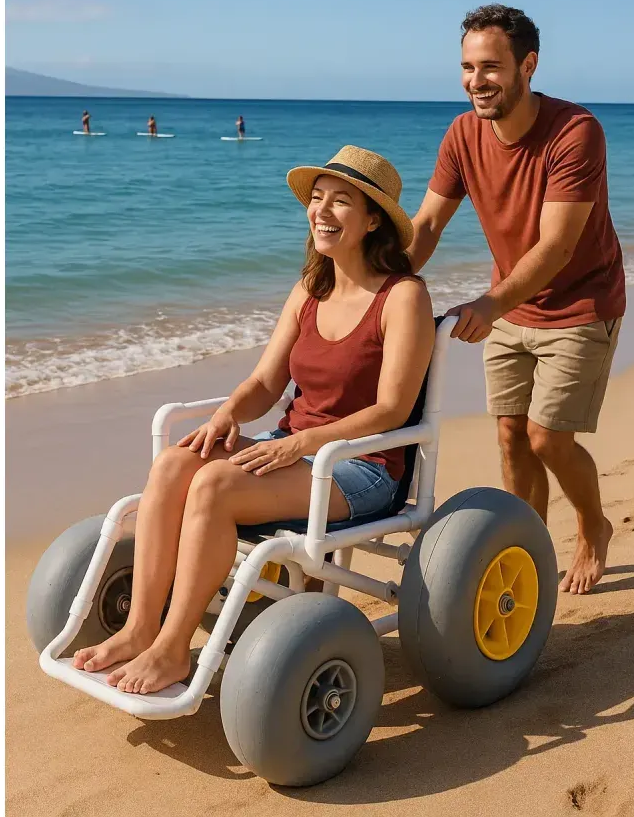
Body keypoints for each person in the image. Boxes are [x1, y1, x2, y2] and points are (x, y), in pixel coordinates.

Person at [72, 146, 435, 693]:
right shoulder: (309, 291)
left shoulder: (403, 296)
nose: (321, 211)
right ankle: (140, 630)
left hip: (363, 466)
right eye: (317, 198)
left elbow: (392, 410)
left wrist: (302, 444)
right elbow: (266, 383)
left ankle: (173, 651)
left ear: (373, 220)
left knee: (214, 486)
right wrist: (227, 415)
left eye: (341, 201)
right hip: (295, 449)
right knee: (175, 464)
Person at [408, 4, 626, 595]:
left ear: (527, 65)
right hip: (513, 303)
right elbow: (426, 225)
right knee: (510, 434)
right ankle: (528, 552)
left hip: (581, 305)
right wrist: (378, 284)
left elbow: (557, 247)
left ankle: (593, 525)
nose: (476, 80)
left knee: (547, 437)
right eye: (467, 67)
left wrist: (488, 305)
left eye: (490, 67)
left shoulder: (575, 131)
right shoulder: (462, 134)